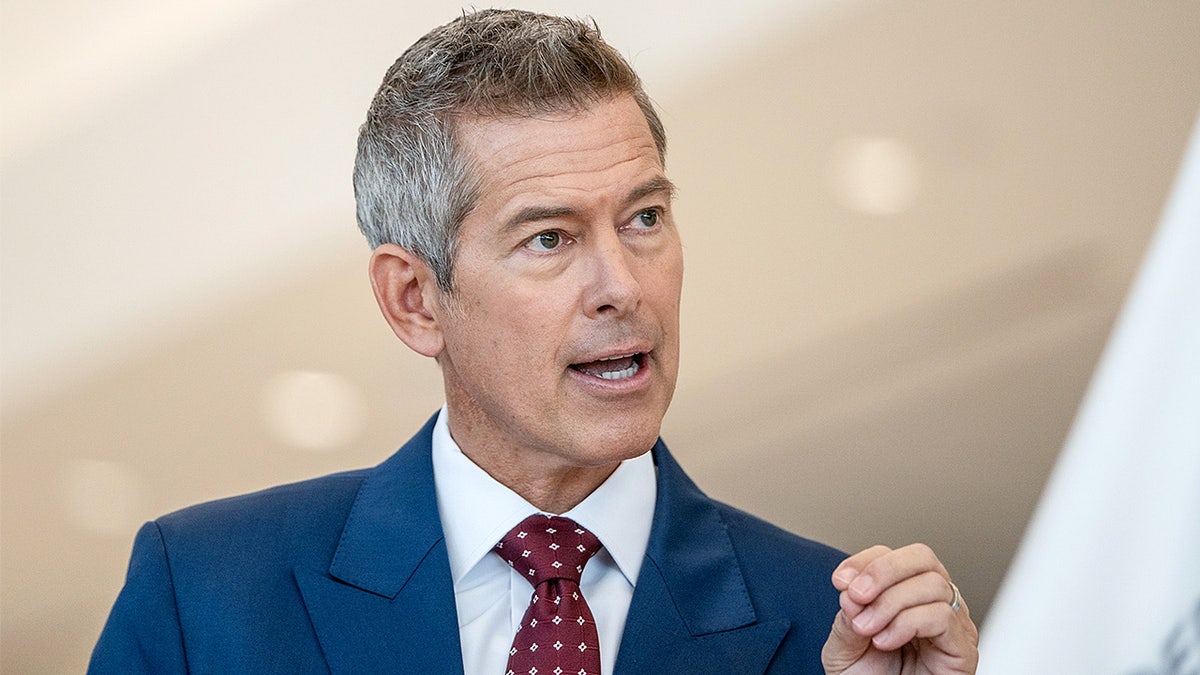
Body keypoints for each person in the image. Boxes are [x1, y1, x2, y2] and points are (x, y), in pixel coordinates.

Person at [90, 9, 979, 674]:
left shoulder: (833, 628)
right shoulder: (204, 596)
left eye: (644, 217)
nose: (622, 285)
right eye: (549, 237)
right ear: (415, 300)